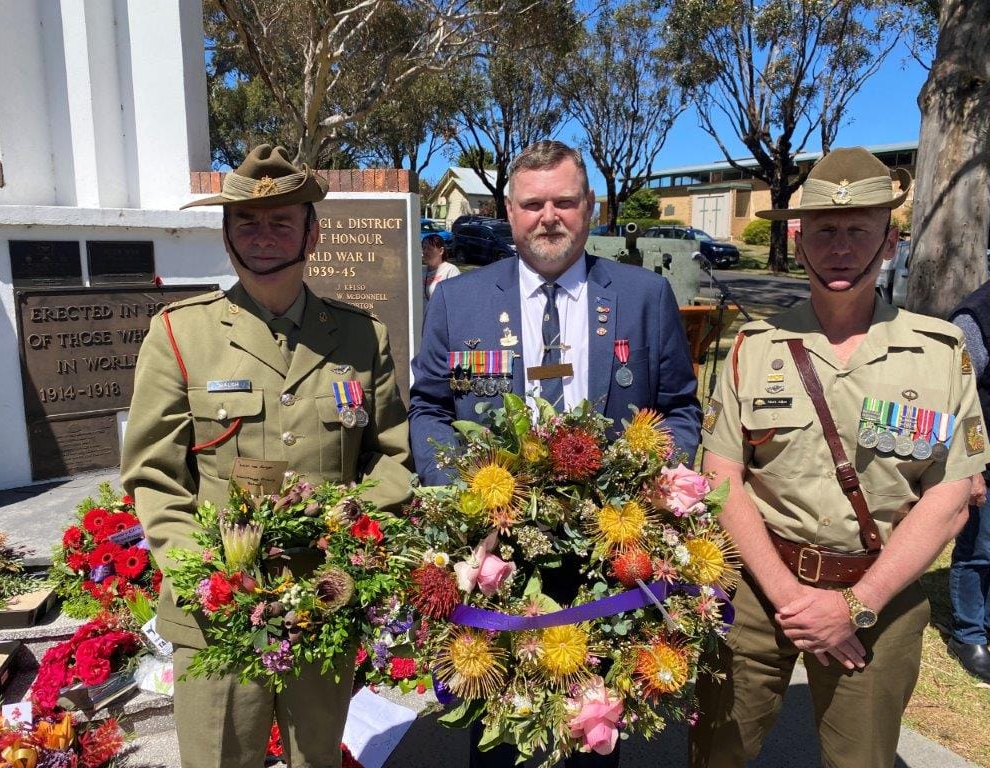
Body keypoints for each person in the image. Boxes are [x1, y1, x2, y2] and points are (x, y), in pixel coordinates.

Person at [689, 147, 987, 768]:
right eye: (825, 231)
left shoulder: (939, 351)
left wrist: (856, 604)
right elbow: (721, 478)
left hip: (882, 597)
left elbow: (952, 494)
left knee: (862, 759)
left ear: (890, 240)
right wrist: (791, 599)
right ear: (799, 243)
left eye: (859, 230)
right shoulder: (754, 346)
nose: (841, 247)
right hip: (757, 592)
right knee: (718, 750)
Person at [409, 140, 701, 768]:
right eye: (532, 203)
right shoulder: (458, 302)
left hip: (614, 549)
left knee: (594, 726)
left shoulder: (643, 296)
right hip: (494, 548)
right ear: (508, 212)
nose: (549, 217)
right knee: (500, 738)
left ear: (588, 207)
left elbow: (679, 407)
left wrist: (651, 490)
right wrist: (457, 495)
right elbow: (430, 407)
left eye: (564, 201)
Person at [121, 144, 413, 768]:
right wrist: (203, 575)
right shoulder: (180, 333)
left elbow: (392, 457)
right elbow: (153, 472)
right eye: (247, 222)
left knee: (317, 759)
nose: (263, 235)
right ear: (227, 234)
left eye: (282, 220)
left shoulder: (362, 337)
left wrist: (351, 538)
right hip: (215, 610)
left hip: (322, 602)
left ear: (313, 231)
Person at [947, 287, 990, 682]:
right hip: (986, 459)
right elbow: (956, 399)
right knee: (979, 551)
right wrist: (971, 468)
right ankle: (968, 633)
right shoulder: (976, 316)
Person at [422, 233, 460, 300]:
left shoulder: (451, 270)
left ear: (441, 251)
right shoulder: (419, 271)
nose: (425, 252)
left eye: (429, 249)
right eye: (424, 248)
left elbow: (455, 298)